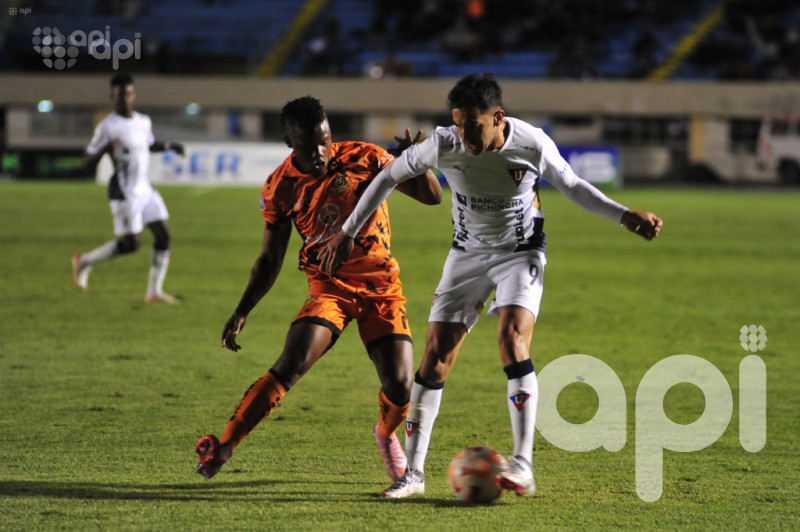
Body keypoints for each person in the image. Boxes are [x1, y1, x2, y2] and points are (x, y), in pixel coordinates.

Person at [319, 73, 662, 499]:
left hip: (520, 252)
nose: (464, 136)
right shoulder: (444, 144)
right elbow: (388, 177)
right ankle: (414, 474)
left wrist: (624, 214)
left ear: (498, 117)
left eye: (473, 126)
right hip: (466, 254)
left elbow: (571, 185)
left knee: (512, 339)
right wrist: (350, 231)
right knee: (435, 358)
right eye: (458, 124)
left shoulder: (531, 142)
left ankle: (523, 466)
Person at [195, 96, 442, 484]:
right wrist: (243, 309)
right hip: (330, 289)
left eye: (326, 141)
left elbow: (433, 196)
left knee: (399, 384)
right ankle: (224, 445)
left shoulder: (365, 157)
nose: (322, 153)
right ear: (289, 144)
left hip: (381, 285)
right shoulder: (280, 187)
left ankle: (384, 433)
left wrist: (417, 160)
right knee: (291, 363)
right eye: (310, 148)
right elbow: (269, 259)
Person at [72, 72, 185, 303]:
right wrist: (105, 148)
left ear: (134, 95)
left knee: (164, 235)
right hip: (124, 192)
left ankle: (153, 292)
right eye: (120, 94)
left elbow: (149, 144)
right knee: (131, 244)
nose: (125, 98)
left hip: (144, 188)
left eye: (129, 93)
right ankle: (84, 261)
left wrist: (170, 145)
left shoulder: (143, 121)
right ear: (112, 96)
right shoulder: (107, 127)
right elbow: (88, 160)